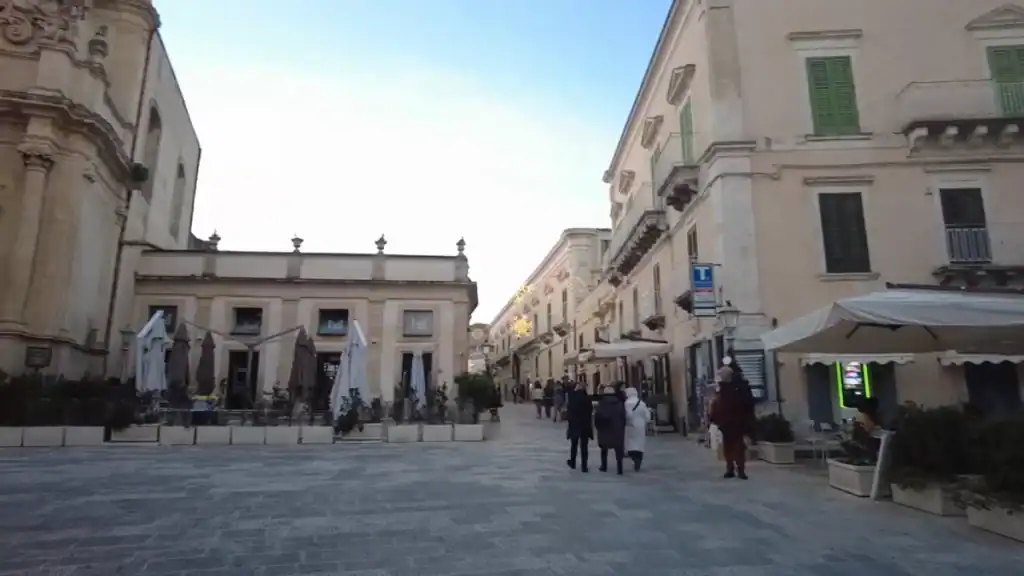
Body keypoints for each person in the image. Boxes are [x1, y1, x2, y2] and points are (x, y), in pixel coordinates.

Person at [709, 366, 755, 479]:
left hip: (736, 421)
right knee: (729, 446)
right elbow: (716, 403)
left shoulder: (737, 388)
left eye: (721, 375)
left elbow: (746, 404)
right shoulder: (723, 388)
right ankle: (731, 468)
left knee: (737, 446)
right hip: (727, 421)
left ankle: (739, 469)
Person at [594, 385, 627, 475]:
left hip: (604, 430)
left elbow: (597, 418)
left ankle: (604, 466)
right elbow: (623, 417)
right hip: (617, 430)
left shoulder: (601, 404)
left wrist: (599, 427)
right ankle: (619, 468)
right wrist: (621, 426)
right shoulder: (620, 404)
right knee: (618, 450)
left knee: (604, 448)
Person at [565, 380, 593, 472]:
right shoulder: (587, 398)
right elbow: (590, 411)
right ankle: (584, 466)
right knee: (584, 446)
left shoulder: (572, 398)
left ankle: (573, 462)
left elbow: (569, 411)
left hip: (574, 424)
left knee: (574, 444)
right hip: (585, 424)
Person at [623, 386, 651, 471]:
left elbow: (628, 415)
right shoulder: (642, 403)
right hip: (641, 426)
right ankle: (639, 458)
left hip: (630, 426)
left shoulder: (627, 403)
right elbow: (647, 416)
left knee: (631, 443)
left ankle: (634, 458)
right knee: (639, 443)